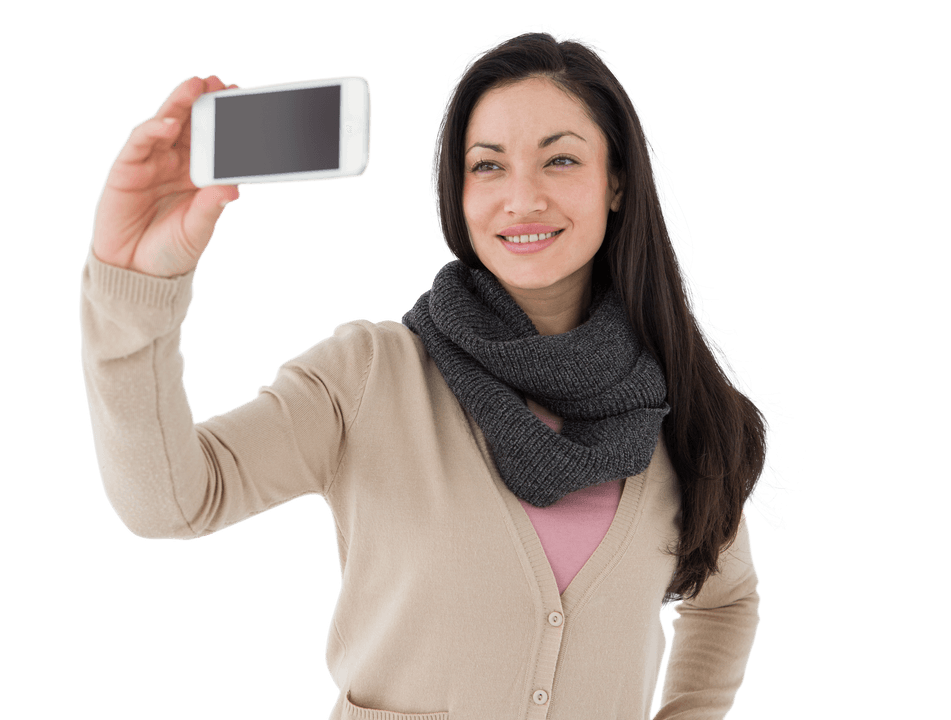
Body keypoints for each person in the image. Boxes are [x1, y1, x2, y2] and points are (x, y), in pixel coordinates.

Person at [81, 28, 788, 720]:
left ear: (616, 182)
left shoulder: (673, 405)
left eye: (560, 160)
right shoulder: (370, 375)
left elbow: (727, 599)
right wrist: (135, 284)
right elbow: (172, 502)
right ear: (456, 191)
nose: (522, 198)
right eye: (487, 165)